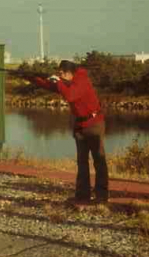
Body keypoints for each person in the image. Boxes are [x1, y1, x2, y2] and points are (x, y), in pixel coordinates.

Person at [32, 60, 109, 203]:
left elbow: (70, 95)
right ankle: (82, 195)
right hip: (79, 124)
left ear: (69, 73)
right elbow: (54, 87)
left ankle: (102, 196)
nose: (59, 76)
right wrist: (36, 80)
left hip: (94, 124)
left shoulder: (82, 81)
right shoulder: (68, 81)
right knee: (82, 161)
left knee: (99, 160)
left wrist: (58, 82)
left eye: (61, 74)